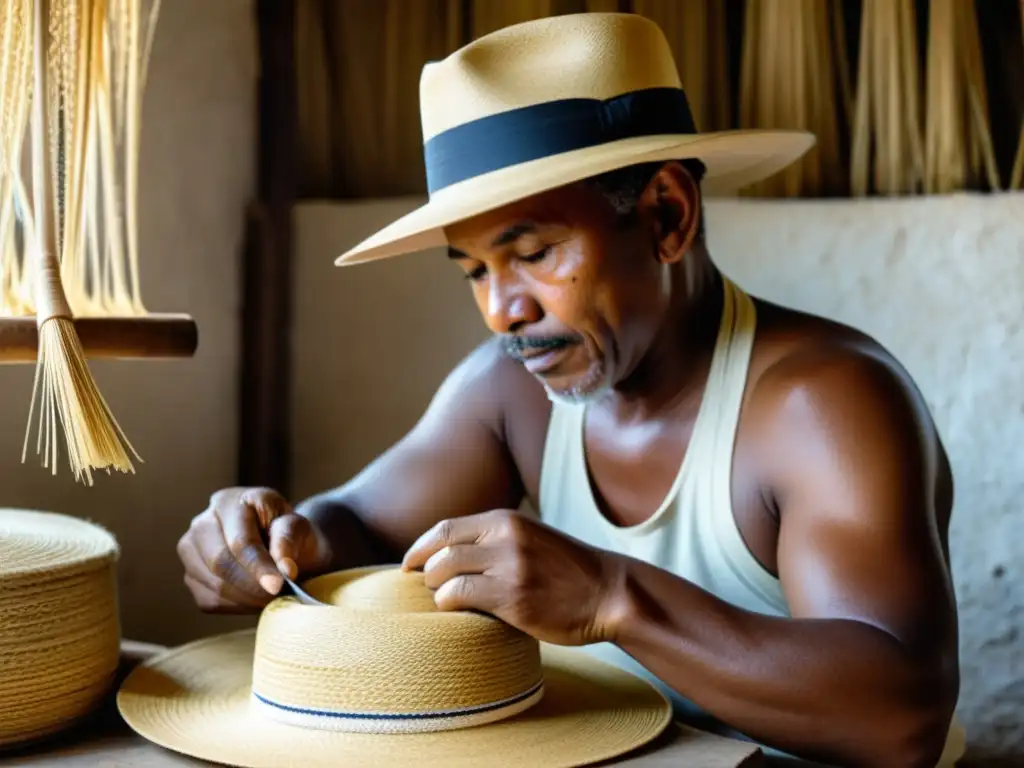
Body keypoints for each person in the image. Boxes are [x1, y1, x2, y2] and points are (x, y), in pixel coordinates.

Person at [176, 13, 960, 768]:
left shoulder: (822, 403)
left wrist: (612, 597)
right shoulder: (509, 395)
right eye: (476, 270)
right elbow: (359, 524)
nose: (501, 310)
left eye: (537, 252)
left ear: (666, 215)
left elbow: (901, 719)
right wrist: (273, 538)